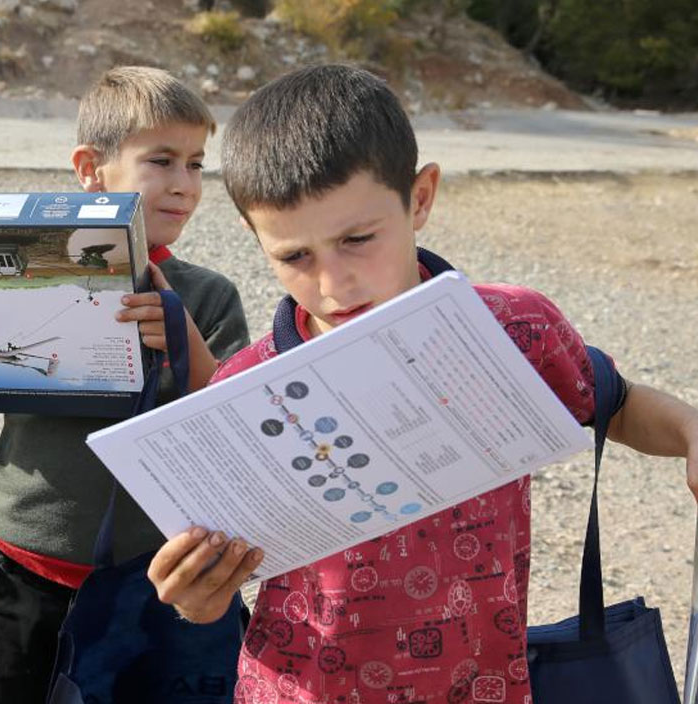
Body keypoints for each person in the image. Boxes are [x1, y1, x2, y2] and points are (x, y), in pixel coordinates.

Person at [145, 64, 698, 703]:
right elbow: (215, 579)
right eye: (294, 256)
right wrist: (197, 599)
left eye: (357, 239)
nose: (333, 283)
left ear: (421, 198)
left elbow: (618, 403)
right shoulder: (247, 388)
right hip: (298, 691)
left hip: (481, 687)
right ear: (255, 236)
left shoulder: (512, 330)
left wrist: (688, 427)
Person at [0, 66, 250, 703]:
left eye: (197, 164)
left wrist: (182, 341)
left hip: (163, 575)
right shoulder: (27, 277)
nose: (184, 185)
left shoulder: (208, 296)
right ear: (92, 168)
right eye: (162, 160)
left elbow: (235, 436)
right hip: (26, 562)